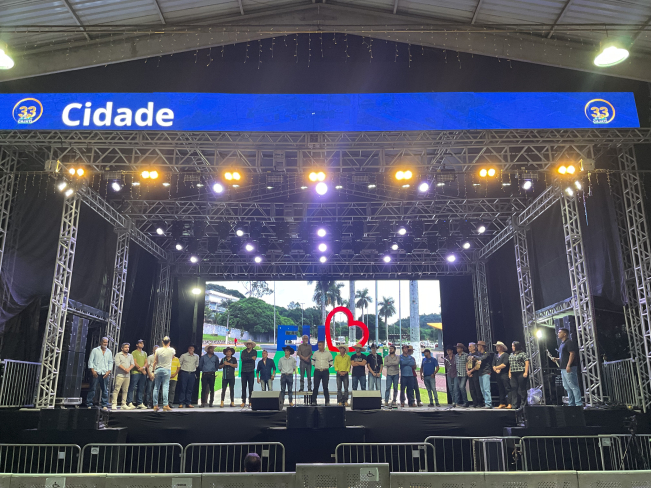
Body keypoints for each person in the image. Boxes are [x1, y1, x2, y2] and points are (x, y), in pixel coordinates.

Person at [554, 328, 582, 407]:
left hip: (569, 367)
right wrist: (557, 359)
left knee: (573, 386)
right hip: (563, 367)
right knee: (567, 387)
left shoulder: (569, 342)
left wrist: (568, 365)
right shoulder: (562, 344)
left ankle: (578, 404)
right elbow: (564, 356)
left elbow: (572, 354)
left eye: (560, 332)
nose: (558, 334)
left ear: (564, 334)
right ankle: (571, 404)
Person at [87, 337, 113, 410]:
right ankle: (89, 403)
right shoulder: (95, 350)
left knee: (105, 389)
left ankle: (104, 404)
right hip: (96, 372)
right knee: (93, 388)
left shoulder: (109, 352)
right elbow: (90, 361)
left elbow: (110, 362)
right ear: (101, 342)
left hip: (105, 373)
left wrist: (109, 371)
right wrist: (92, 370)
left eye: (106, 342)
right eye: (104, 342)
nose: (105, 344)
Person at [152, 336, 176, 412]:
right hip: (166, 369)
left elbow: (155, 361)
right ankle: (165, 405)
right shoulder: (172, 350)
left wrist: (152, 371)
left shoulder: (158, 350)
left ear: (162, 342)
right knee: (165, 387)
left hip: (158, 369)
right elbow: (172, 357)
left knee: (156, 387)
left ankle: (155, 405)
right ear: (169, 342)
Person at [111, 342, 134, 409]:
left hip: (127, 376)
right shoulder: (118, 354)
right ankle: (114, 404)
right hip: (120, 375)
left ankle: (123, 404)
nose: (127, 348)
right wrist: (124, 369)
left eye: (128, 347)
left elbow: (132, 364)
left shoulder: (130, 355)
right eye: (126, 347)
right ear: (122, 348)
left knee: (125, 390)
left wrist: (128, 369)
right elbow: (117, 363)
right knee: (117, 389)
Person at [126, 339, 148, 410]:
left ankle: (139, 403)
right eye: (140, 343)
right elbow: (134, 362)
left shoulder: (144, 353)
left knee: (141, 388)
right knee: (132, 387)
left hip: (142, 373)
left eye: (143, 343)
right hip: (135, 372)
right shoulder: (134, 352)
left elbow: (146, 362)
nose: (142, 344)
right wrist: (140, 368)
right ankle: (129, 402)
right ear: (137, 344)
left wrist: (143, 368)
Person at [509, 341, 530, 409]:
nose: (512, 347)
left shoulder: (522, 354)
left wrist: (526, 372)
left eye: (513, 346)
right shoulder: (511, 354)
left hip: (521, 372)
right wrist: (509, 372)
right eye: (512, 346)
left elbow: (527, 363)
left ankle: (523, 403)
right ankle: (514, 404)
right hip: (513, 373)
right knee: (514, 388)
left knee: (522, 388)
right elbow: (511, 364)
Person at [311, 340, 333, 405]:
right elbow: (313, 362)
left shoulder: (328, 353)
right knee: (315, 386)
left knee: (325, 387)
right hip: (317, 371)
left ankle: (327, 401)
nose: (319, 346)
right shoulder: (315, 353)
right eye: (318, 345)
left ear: (323, 346)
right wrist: (318, 366)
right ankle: (314, 401)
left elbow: (331, 363)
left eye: (320, 345)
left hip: (325, 372)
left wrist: (325, 367)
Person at [492, 341, 511, 409]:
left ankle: (509, 403)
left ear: (502, 347)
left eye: (498, 346)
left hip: (504, 374)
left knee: (507, 388)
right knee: (500, 389)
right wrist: (495, 369)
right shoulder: (496, 355)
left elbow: (504, 364)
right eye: (496, 346)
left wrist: (497, 368)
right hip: (498, 375)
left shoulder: (506, 355)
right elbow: (493, 364)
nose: (497, 348)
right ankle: (502, 403)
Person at [475, 341, 493, 409]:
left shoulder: (487, 354)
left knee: (486, 389)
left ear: (481, 346)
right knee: (482, 389)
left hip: (486, 372)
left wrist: (474, 356)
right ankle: (486, 403)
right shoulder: (479, 354)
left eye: (478, 346)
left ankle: (488, 403)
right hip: (480, 373)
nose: (477, 347)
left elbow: (482, 358)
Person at [240, 340, 258, 407]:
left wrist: (247, 359)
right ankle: (243, 401)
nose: (248, 345)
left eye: (250, 344)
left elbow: (253, 359)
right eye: (248, 344)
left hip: (251, 371)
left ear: (252, 345)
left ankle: (250, 401)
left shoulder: (254, 352)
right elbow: (243, 359)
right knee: (243, 387)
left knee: (251, 387)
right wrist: (250, 358)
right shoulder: (243, 352)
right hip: (244, 372)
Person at [466, 342, 484, 408]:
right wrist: (468, 371)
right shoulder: (468, 355)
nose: (469, 348)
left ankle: (480, 402)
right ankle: (474, 402)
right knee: (471, 389)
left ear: (474, 347)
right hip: (469, 373)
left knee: (477, 388)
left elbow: (477, 365)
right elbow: (466, 363)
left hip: (476, 373)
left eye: (470, 346)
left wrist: (471, 371)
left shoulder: (477, 354)